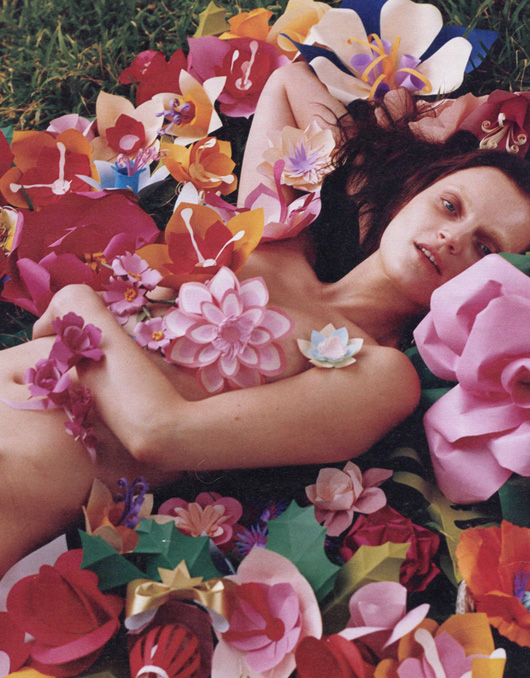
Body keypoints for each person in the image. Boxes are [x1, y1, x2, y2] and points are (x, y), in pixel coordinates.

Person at [2, 62, 530, 576]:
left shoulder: (381, 374)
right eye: (450, 206)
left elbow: (158, 431)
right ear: (415, 191)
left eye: (485, 248)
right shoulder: (274, 240)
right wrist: (366, 170)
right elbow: (285, 82)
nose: (452, 238)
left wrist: (80, 305)